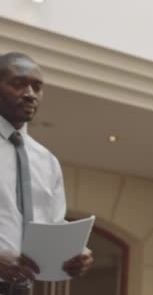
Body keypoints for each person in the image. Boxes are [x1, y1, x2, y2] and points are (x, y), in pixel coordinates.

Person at [0, 52, 94, 295]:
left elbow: (53, 225)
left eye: (37, 87)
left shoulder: (47, 162)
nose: (30, 93)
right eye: (18, 84)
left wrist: (76, 253)